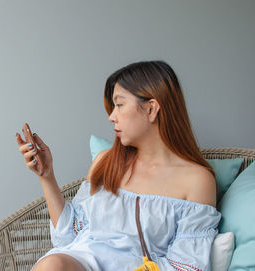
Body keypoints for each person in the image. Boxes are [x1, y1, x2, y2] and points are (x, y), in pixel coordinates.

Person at [16, 60, 221, 271]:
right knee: (53, 265)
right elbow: (69, 237)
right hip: (77, 263)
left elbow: (187, 266)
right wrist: (46, 176)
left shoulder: (196, 181)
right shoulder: (105, 161)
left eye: (119, 105)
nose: (111, 117)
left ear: (151, 108)